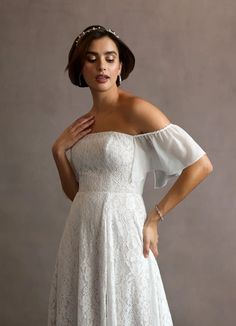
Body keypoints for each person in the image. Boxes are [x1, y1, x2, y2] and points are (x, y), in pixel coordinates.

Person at [48, 25, 213, 325]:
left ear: (120, 66)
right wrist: (59, 151)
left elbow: (200, 165)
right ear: (80, 67)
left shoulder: (137, 110)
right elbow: (78, 193)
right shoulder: (83, 124)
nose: (102, 66)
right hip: (81, 232)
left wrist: (154, 217)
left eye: (110, 58)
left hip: (123, 229)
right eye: (92, 58)